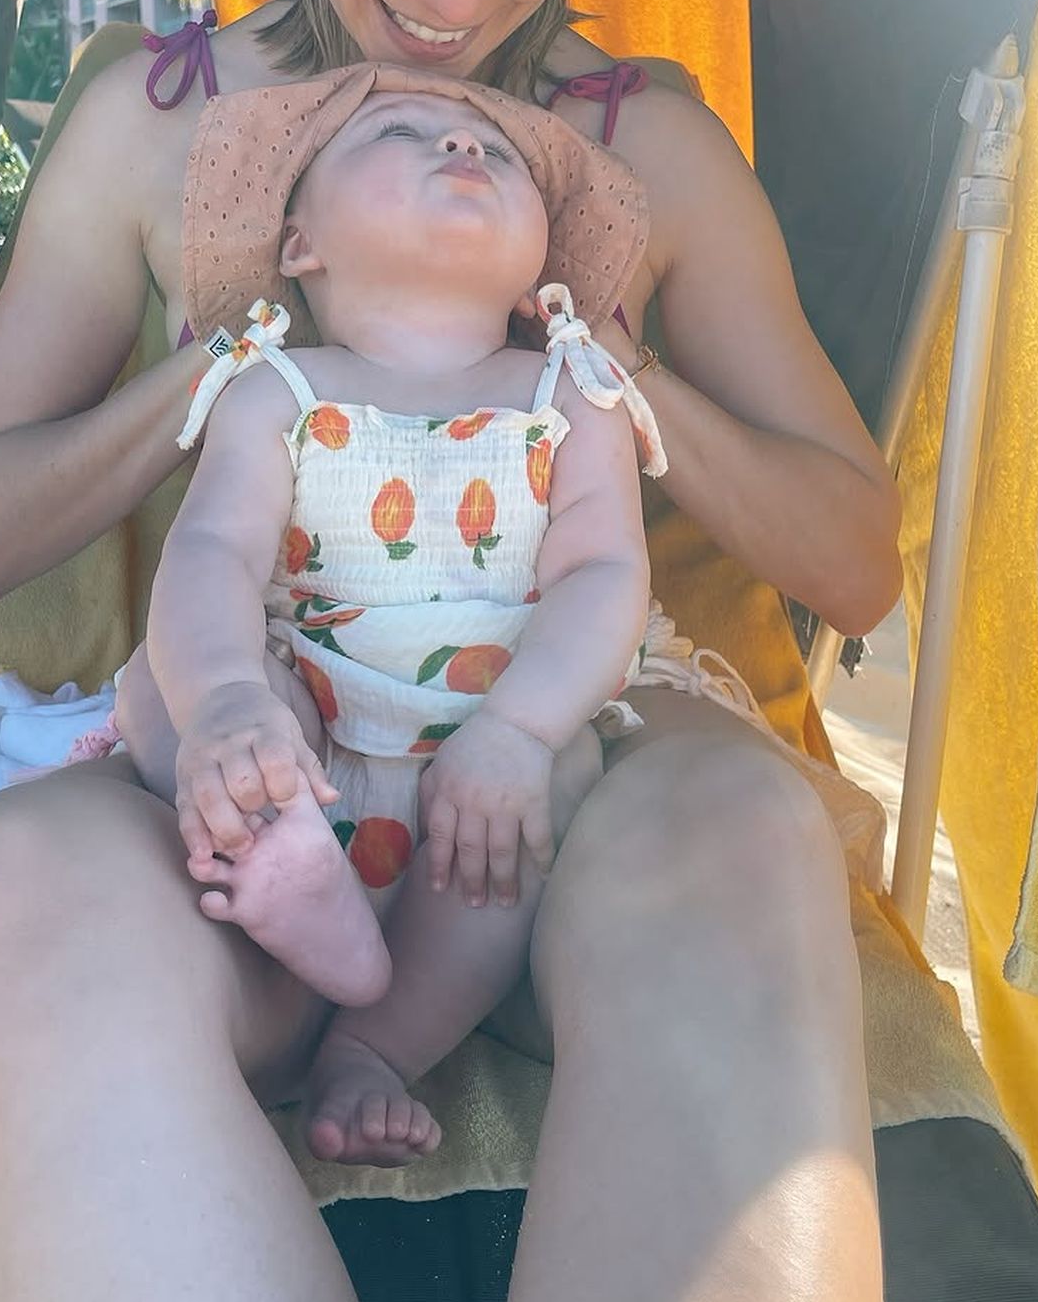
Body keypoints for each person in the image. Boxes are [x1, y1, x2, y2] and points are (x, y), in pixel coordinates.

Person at [0, 0, 900, 1302]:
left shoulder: (639, 148)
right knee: (3, 888)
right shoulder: (157, 127)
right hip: (253, 756)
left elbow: (855, 562)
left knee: (743, 831)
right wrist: (237, 362)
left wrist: (615, 378)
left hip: (563, 786)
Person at [134, 80, 658, 1168]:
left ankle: (375, 1045)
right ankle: (293, 883)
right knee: (160, 688)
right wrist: (228, 699)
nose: (462, 139)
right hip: (306, 742)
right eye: (400, 133)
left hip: (483, 767)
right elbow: (213, 551)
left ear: (538, 263)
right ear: (302, 245)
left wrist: (520, 731)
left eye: (498, 153)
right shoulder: (275, 389)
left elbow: (605, 572)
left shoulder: (569, 395)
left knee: (564, 776)